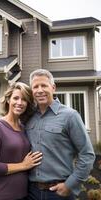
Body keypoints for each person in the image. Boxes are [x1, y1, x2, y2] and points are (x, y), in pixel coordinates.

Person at [26, 69, 95, 200]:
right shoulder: (28, 117)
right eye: (35, 86)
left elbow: (87, 154)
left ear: (53, 88)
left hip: (58, 193)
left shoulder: (70, 116)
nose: (40, 90)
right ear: (32, 91)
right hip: (31, 192)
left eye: (44, 85)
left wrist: (70, 185)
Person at [0, 82, 42, 200]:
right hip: (0, 196)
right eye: (16, 98)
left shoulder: (24, 128)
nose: (19, 103)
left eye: (24, 99)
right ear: (8, 100)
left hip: (24, 195)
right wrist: (23, 165)